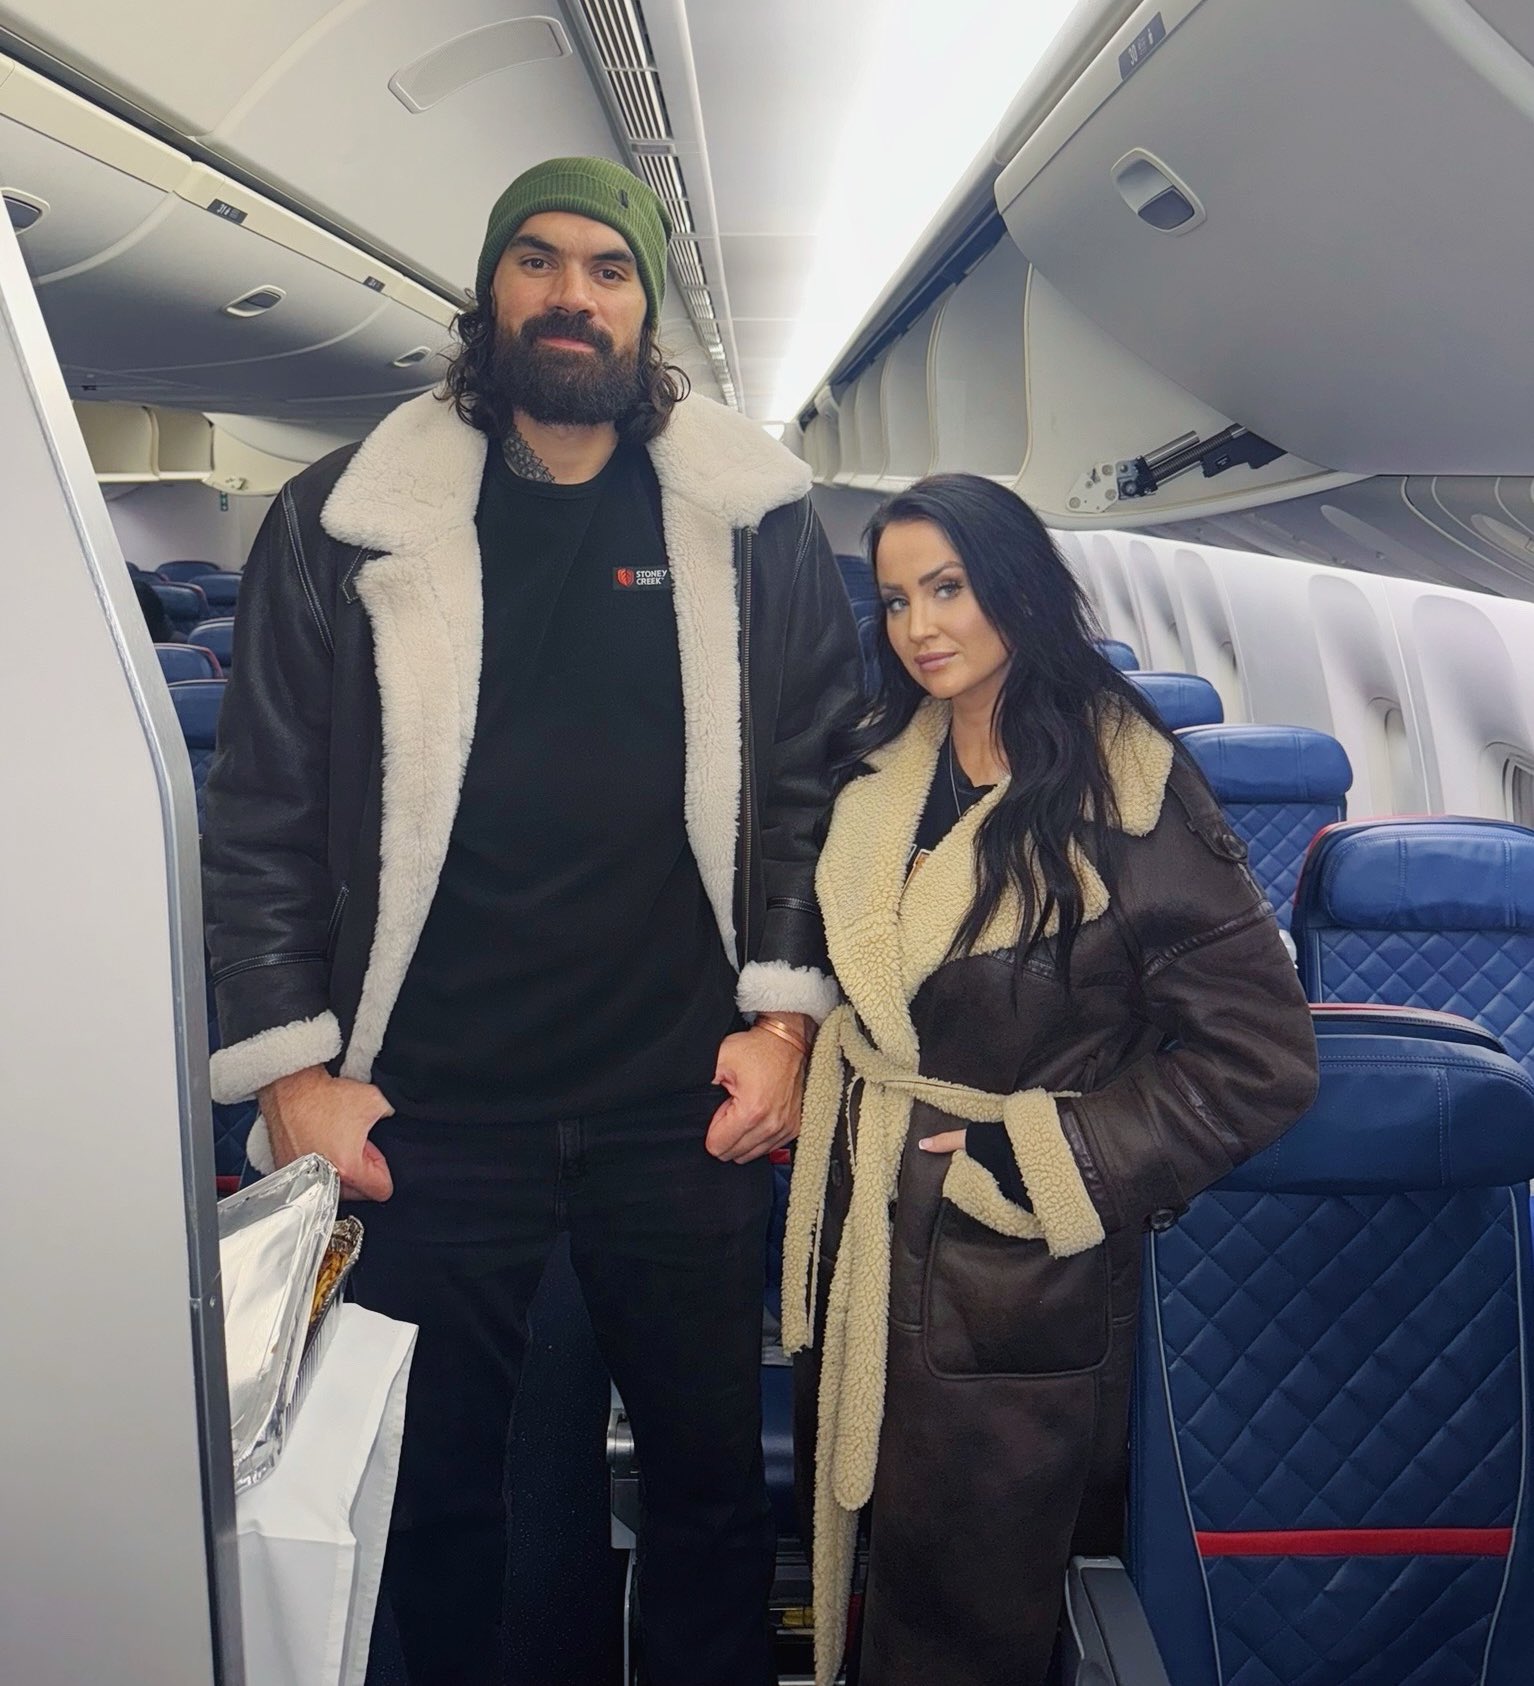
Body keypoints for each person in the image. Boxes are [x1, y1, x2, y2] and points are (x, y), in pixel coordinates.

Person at [202, 155, 862, 1686]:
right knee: (440, 1502)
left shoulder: (749, 523)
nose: (573, 295)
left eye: (606, 269)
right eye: (539, 262)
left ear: (644, 311)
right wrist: (292, 1068)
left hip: (680, 1102)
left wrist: (785, 1023)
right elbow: (263, 810)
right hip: (430, 1106)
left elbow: (814, 781)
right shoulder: (340, 522)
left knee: (708, 1493)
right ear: (489, 293)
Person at [782, 474, 1319, 1686]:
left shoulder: (1126, 793)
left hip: (1010, 1262)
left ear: (1017, 586)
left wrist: (1032, 1159)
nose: (919, 627)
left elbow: (1262, 1059)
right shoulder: (884, 764)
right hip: (868, 1231)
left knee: (974, 1617)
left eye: (948, 589)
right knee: (880, 1568)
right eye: (895, 601)